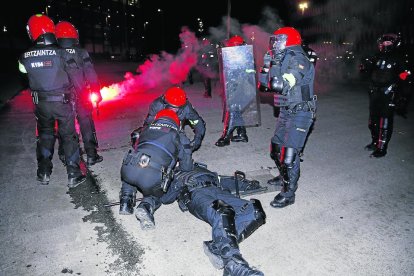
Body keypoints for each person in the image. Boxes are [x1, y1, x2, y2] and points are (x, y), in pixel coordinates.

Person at [160, 163, 266, 276]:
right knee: (223, 211)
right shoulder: (170, 173)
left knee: (255, 212)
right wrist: (179, 183)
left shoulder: (198, 167)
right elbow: (164, 198)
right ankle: (233, 265)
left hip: (218, 190)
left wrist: (246, 185)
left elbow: (222, 180)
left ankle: (216, 246)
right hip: (196, 195)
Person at [18, 14, 86, 187]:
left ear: (32, 32)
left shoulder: (24, 57)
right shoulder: (62, 53)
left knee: (45, 136)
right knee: (69, 137)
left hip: (41, 105)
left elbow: (25, 75)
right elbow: (76, 79)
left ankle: (44, 173)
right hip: (63, 103)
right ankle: (73, 174)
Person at [258, 26, 317, 208]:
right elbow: (263, 86)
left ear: (289, 40)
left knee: (289, 155)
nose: (275, 44)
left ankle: (289, 193)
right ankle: (283, 175)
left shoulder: (298, 59)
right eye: (274, 40)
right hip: (286, 109)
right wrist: (266, 66)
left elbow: (279, 85)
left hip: (301, 111)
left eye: (279, 40)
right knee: (276, 148)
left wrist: (273, 65)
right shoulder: (283, 57)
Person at [118, 108, 194, 229]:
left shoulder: (144, 129)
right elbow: (187, 167)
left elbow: (136, 147)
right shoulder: (179, 135)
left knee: (133, 168)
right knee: (158, 192)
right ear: (176, 123)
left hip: (128, 170)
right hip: (151, 176)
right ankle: (146, 206)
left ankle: (125, 201)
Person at [55, 20, 103, 167]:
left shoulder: (55, 53)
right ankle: (91, 155)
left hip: (62, 97)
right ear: (74, 35)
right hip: (81, 95)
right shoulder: (81, 52)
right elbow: (91, 74)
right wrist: (96, 91)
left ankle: (65, 155)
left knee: (65, 126)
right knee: (86, 124)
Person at [359, 33, 411, 158]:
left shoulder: (399, 58)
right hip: (375, 92)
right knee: (373, 121)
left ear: (395, 43)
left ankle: (382, 148)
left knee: (384, 122)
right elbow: (367, 72)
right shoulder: (377, 56)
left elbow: (405, 76)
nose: (385, 44)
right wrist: (364, 67)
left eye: (389, 42)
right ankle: (375, 142)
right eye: (384, 42)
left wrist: (403, 95)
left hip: (389, 93)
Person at [143, 86, 206, 152]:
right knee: (138, 137)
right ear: (165, 102)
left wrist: (198, 138)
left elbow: (198, 122)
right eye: (171, 107)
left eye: (176, 108)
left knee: (186, 148)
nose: (173, 110)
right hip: (158, 129)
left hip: (176, 132)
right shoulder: (157, 105)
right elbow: (148, 123)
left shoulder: (186, 108)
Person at [215, 35, 250, 147]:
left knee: (232, 112)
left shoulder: (242, 56)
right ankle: (242, 134)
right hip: (238, 88)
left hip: (239, 88)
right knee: (236, 111)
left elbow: (241, 73)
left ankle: (226, 137)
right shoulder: (241, 55)